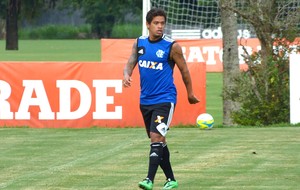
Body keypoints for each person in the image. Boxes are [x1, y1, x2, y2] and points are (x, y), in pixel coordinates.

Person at [123, 8, 200, 190]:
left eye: (162, 23)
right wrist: (126, 74)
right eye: (156, 23)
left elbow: (184, 71)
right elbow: (130, 62)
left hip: (165, 99)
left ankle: (149, 180)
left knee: (156, 137)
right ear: (148, 25)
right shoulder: (139, 43)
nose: (160, 26)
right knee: (159, 141)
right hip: (146, 101)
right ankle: (171, 180)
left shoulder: (172, 46)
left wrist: (190, 93)